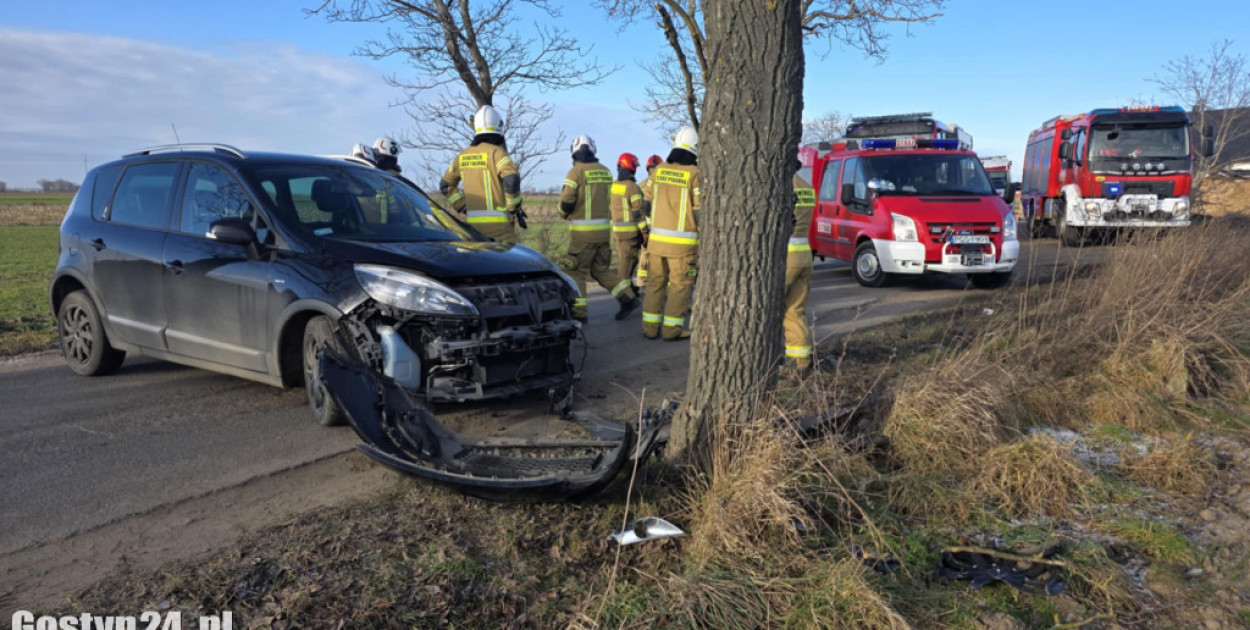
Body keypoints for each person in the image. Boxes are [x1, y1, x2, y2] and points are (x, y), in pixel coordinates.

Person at [559, 135, 640, 322]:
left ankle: (579, 314)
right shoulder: (606, 172)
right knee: (600, 270)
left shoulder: (575, 172)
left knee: (576, 271)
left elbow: (566, 200)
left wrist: (563, 213)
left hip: (582, 235)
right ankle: (627, 297)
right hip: (603, 233)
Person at [640, 127, 699, 341]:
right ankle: (672, 330)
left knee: (655, 284)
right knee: (679, 286)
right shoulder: (694, 174)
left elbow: (646, 206)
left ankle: (649, 328)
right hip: (682, 246)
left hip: (656, 243)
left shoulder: (658, 171)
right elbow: (699, 210)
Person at [439, 105, 524, 244]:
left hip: (473, 231)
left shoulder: (463, 155)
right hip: (500, 232)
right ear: (498, 127)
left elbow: (445, 185)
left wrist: (462, 206)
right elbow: (512, 180)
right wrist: (512, 208)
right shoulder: (497, 153)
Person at [783, 160, 817, 373]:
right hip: (803, 254)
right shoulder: (806, 187)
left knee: (763, 308)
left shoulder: (782, 187)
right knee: (795, 310)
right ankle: (800, 363)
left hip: (784, 257)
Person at [609, 153, 647, 300]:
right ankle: (626, 298)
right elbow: (638, 212)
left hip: (617, 234)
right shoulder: (633, 188)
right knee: (625, 269)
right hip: (631, 235)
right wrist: (644, 231)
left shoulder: (613, 186)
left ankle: (631, 290)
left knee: (627, 261)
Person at [635, 154, 663, 287]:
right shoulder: (663, 184)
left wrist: (642, 229)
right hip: (660, 226)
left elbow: (637, 208)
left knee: (645, 254)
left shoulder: (641, 185)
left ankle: (642, 282)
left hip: (645, 226)